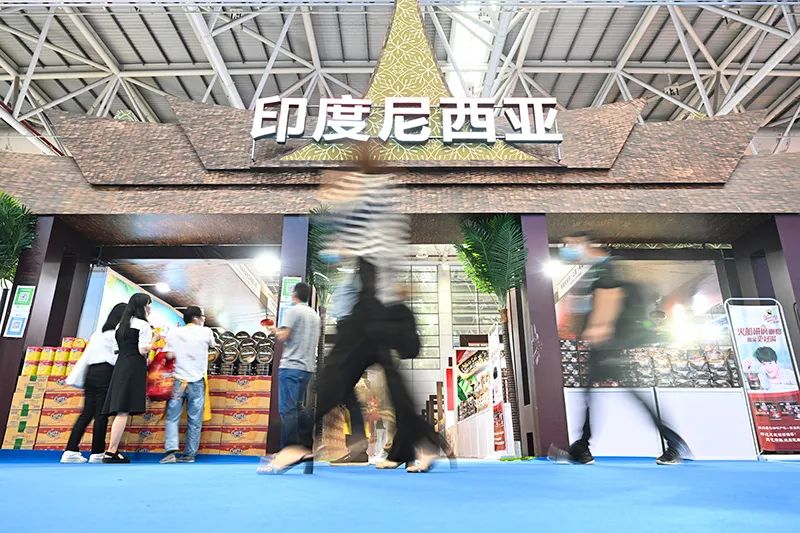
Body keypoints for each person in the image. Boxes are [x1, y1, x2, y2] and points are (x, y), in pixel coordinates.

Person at [263, 153, 450, 474]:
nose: (330, 181)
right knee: (378, 381)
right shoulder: (377, 201)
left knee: (336, 377)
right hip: (373, 303)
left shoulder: (374, 195)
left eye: (337, 175)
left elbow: (359, 238)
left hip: (371, 303)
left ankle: (298, 444)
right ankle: (423, 443)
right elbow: (356, 241)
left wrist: (340, 203)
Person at [550, 232, 689, 466]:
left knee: (625, 396)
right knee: (594, 395)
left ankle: (673, 443)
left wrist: (598, 329)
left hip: (608, 345)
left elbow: (610, 299)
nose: (569, 249)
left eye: (572, 244)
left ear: (587, 244)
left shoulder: (605, 268)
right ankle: (582, 447)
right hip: (605, 345)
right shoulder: (597, 268)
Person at [60, 303, 127, 464]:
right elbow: (116, 358)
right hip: (105, 372)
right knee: (101, 415)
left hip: (90, 373)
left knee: (86, 413)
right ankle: (97, 452)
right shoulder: (116, 335)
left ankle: (70, 450)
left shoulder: (98, 333)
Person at [102, 293, 153, 464]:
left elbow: (116, 349)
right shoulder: (144, 325)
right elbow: (142, 350)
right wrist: (155, 340)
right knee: (123, 410)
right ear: (141, 307)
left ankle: (112, 450)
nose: (149, 308)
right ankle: (111, 451)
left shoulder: (120, 325)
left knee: (119, 409)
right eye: (148, 304)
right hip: (134, 367)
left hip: (120, 365)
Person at [160, 306, 215, 464]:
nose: (204, 319)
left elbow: (168, 355)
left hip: (178, 380)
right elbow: (213, 345)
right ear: (196, 318)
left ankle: (170, 452)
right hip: (197, 381)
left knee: (172, 418)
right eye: (202, 317)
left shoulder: (174, 332)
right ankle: (189, 454)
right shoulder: (206, 332)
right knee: (194, 419)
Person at [274, 283, 320, 451]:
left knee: (287, 410)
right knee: (298, 408)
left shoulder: (293, 311)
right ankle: (308, 445)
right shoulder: (314, 316)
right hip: (307, 368)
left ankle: (289, 450)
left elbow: (284, 336)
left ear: (294, 294)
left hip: (291, 366)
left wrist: (273, 330)